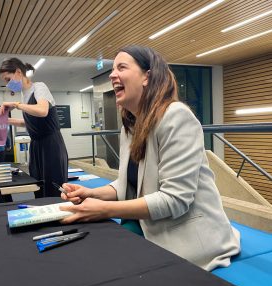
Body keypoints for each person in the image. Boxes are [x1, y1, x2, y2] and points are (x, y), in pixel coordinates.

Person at [59, 45, 240, 271]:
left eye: (121, 67)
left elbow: (175, 199)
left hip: (185, 236)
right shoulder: (131, 124)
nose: (112, 74)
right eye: (112, 69)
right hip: (146, 226)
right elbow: (132, 183)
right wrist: (92, 193)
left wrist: (105, 208)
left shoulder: (176, 116)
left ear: (147, 76)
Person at [0, 58, 68, 197]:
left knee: (53, 186)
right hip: (36, 145)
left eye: (8, 79)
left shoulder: (39, 87)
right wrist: (4, 120)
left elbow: (43, 111)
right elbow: (27, 122)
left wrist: (15, 105)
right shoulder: (24, 96)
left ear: (18, 72)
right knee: (39, 184)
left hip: (51, 144)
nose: (7, 84)